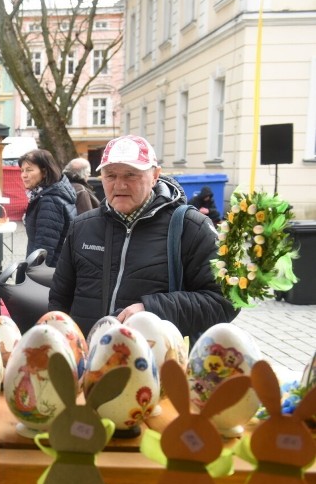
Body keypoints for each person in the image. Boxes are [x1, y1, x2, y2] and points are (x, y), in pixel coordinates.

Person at [48, 134, 237, 339]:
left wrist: (152, 309)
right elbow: (59, 301)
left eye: (131, 174)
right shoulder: (82, 227)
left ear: (155, 175)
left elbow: (225, 302)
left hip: (157, 363)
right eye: (110, 175)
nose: (119, 185)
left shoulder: (191, 228)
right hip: (89, 361)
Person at [19, 150, 77, 266]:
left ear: (44, 172)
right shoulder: (49, 194)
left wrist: (32, 277)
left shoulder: (49, 201)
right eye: (22, 170)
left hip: (49, 274)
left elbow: (44, 249)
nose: (24, 175)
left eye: (29, 170)